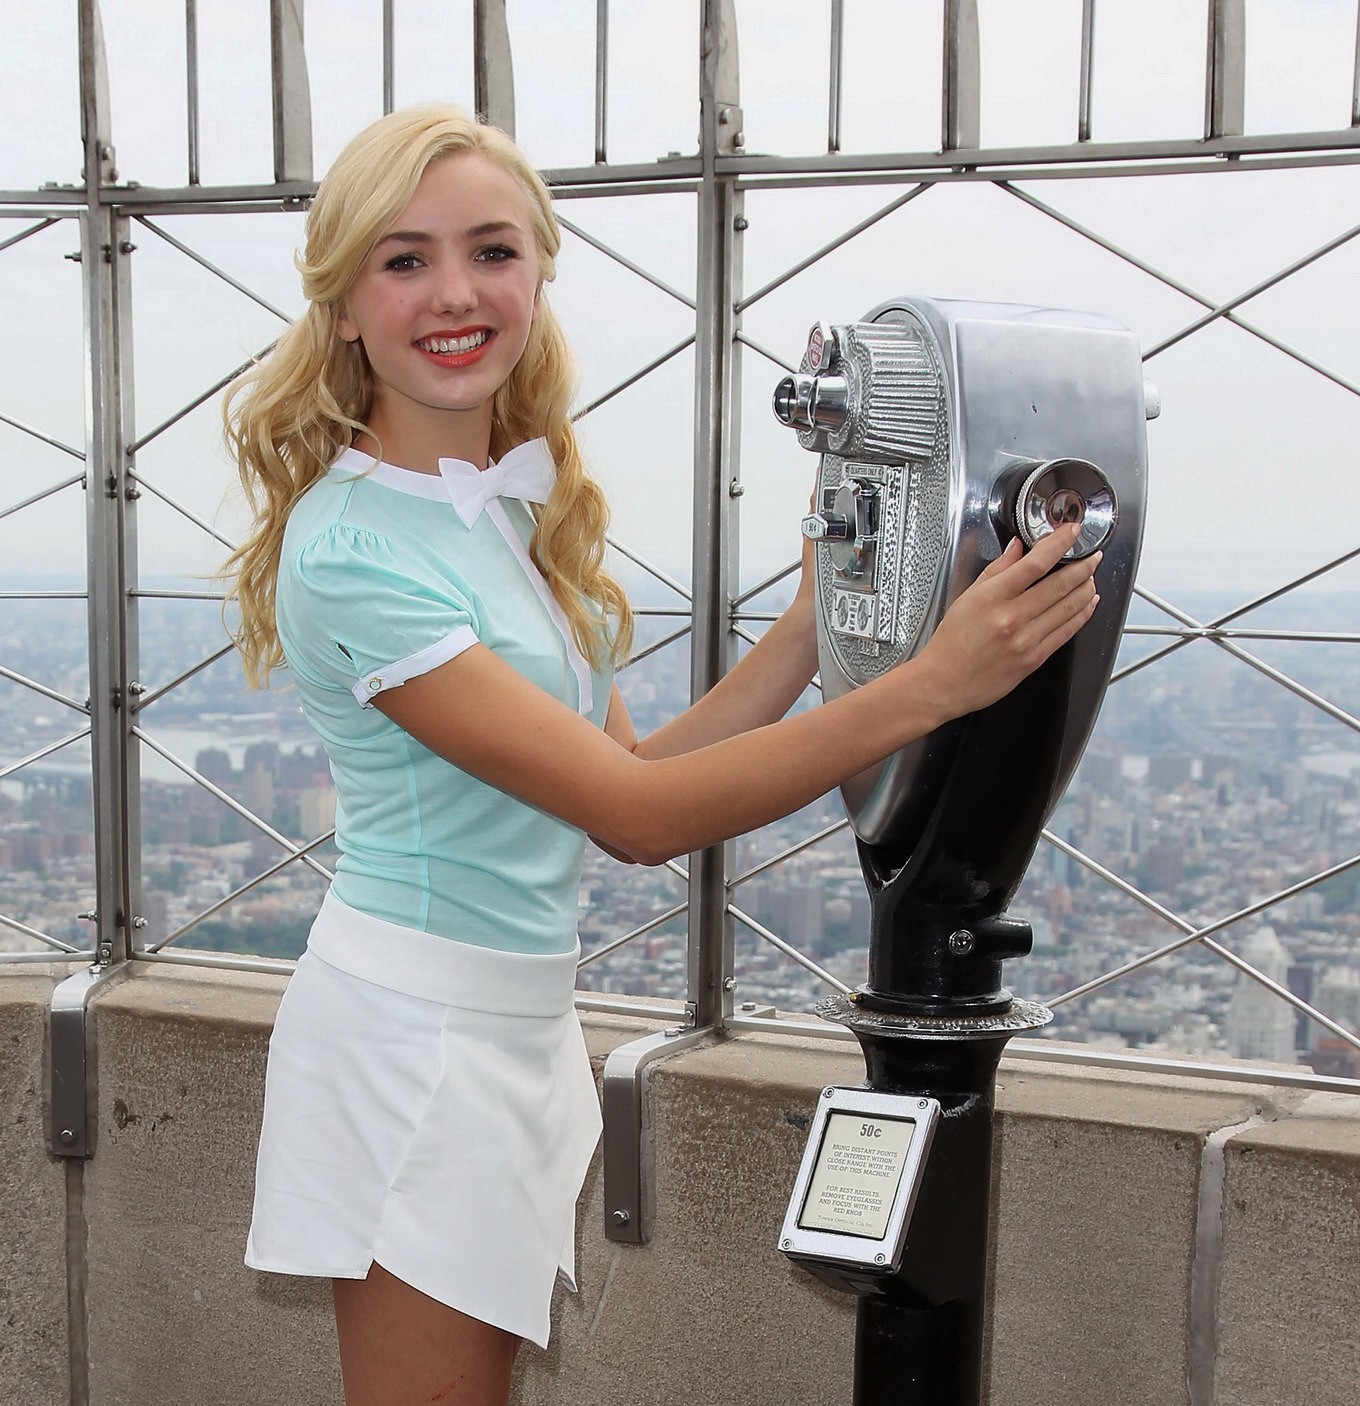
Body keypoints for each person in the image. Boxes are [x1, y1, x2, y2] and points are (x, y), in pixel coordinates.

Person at [224, 104, 1099, 1406]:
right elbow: (636, 816)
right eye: (404, 259)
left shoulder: (503, 517)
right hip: (415, 1044)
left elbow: (641, 762)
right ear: (343, 301)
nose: (456, 292)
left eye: (492, 250)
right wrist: (931, 687)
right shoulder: (357, 550)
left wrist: (816, 626)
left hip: (505, 1027)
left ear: (540, 271)